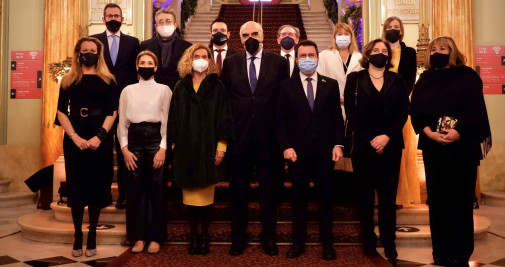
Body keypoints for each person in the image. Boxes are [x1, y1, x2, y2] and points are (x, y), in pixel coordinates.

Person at [410, 36, 492, 267]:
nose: (438, 52)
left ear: (452, 51)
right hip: (433, 148)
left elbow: (475, 111)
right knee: (438, 201)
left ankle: (461, 252)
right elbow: (415, 110)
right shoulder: (425, 79)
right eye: (434, 49)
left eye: (443, 48)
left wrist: (460, 132)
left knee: (461, 200)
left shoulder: (467, 77)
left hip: (462, 149)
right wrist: (428, 132)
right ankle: (441, 252)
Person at [221, 21, 289, 256]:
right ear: (239, 39)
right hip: (238, 138)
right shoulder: (230, 64)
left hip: (268, 139)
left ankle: (268, 237)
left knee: (269, 193)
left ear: (263, 36)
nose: (251, 37)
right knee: (237, 192)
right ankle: (238, 237)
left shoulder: (279, 63)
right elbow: (226, 101)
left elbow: (282, 101)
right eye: (246, 34)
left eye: (255, 33)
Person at [276, 40, 344, 260]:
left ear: (317, 57)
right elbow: (281, 121)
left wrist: (338, 144)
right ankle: (298, 243)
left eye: (311, 55)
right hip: (298, 152)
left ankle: (327, 244)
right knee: (299, 199)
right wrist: (285, 146)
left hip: (325, 151)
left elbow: (337, 119)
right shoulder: (286, 86)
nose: (307, 59)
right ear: (297, 60)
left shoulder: (330, 84)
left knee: (326, 198)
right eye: (303, 55)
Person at [343, 39, 409, 266]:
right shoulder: (354, 79)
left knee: (388, 199)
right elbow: (352, 113)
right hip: (363, 146)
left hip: (390, 146)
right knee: (364, 197)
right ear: (368, 54)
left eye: (384, 51)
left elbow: (403, 112)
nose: (380, 54)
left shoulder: (397, 80)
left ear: (389, 56)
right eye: (376, 50)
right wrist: (370, 138)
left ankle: (390, 244)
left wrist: (386, 136)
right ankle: (369, 242)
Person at [169, 44, 234, 255]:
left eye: (204, 56)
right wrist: (174, 146)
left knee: (206, 199)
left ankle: (204, 236)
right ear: (189, 59)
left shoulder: (218, 86)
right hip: (186, 148)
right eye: (196, 56)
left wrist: (221, 147)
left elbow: (225, 117)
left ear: (210, 60)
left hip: (209, 147)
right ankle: (193, 236)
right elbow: (174, 118)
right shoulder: (181, 86)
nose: (200, 59)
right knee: (189, 198)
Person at [56, 37, 117, 258]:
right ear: (78, 53)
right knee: (77, 188)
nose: (88, 53)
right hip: (75, 140)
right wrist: (74, 136)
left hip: (100, 140)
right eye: (85, 50)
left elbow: (113, 112)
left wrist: (99, 137)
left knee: (96, 188)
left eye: (93, 50)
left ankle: (91, 234)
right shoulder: (68, 80)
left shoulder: (108, 80)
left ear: (98, 54)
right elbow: (61, 112)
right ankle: (77, 236)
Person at [117, 51, 171, 254]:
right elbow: (122, 122)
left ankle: (156, 237)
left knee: (156, 189)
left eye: (150, 63)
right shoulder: (127, 90)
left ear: (156, 67)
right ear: (136, 66)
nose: (146, 65)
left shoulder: (164, 90)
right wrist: (124, 149)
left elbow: (167, 121)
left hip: (156, 139)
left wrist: (163, 148)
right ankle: (137, 237)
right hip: (134, 139)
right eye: (142, 62)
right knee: (135, 190)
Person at [91, 3, 141, 210]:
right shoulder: (94, 41)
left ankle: (124, 195)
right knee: (102, 152)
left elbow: (137, 71)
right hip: (101, 105)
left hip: (126, 104)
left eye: (117, 15)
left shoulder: (133, 42)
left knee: (124, 151)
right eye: (109, 15)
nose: (113, 18)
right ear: (103, 18)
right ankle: (103, 195)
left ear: (122, 18)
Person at [381, 16, 420, 208]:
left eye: (396, 27)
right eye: (389, 27)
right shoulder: (380, 50)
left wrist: (399, 99)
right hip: (379, 108)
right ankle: (381, 196)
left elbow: (410, 80)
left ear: (401, 30)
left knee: (400, 153)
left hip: (400, 107)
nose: (393, 29)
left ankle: (398, 196)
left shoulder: (410, 52)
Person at [317, 22, 362, 119]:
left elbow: (363, 83)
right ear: (334, 37)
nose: (343, 37)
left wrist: (351, 98)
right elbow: (320, 81)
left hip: (355, 106)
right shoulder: (323, 56)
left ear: (351, 37)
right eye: (339, 34)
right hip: (331, 105)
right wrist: (334, 96)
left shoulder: (360, 58)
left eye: (346, 34)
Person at [140, 8, 192, 90]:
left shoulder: (187, 47)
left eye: (168, 21)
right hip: (152, 91)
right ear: (156, 26)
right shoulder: (145, 45)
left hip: (178, 93)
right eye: (161, 22)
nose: (164, 24)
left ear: (175, 25)